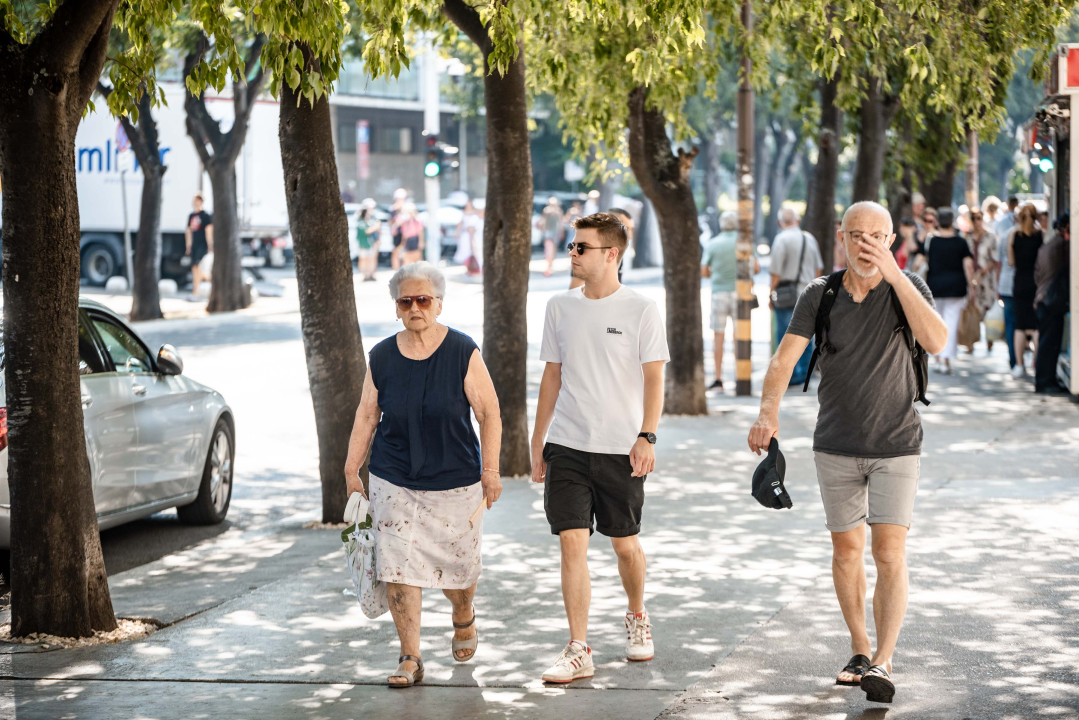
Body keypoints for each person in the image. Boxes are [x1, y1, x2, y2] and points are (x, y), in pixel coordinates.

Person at [748, 201, 946, 705]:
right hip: (834, 444)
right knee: (846, 550)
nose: (866, 245)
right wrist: (767, 413)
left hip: (896, 445)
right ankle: (860, 649)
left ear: (891, 240)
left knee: (888, 551)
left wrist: (897, 276)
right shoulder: (822, 294)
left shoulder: (909, 288)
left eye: (877, 236)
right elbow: (783, 358)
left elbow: (937, 340)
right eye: (857, 235)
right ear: (842, 237)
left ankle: (885, 658)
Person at [343, 261, 503, 688]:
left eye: (423, 300)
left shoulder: (462, 351)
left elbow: (489, 413)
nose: (415, 307)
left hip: (456, 478)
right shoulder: (381, 355)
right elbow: (366, 414)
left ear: (438, 304)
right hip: (394, 475)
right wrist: (351, 467)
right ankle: (410, 656)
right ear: (397, 308)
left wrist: (491, 470)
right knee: (396, 567)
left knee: (460, 568)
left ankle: (463, 614)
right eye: (406, 301)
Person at [531, 212, 669, 683]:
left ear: (610, 254)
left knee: (625, 545)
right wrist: (538, 442)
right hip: (567, 444)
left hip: (621, 449)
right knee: (572, 542)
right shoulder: (559, 307)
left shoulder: (641, 309)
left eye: (581, 247)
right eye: (572, 245)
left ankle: (636, 614)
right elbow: (552, 375)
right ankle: (578, 647)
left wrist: (647, 435)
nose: (572, 253)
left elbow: (654, 377)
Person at [702, 210, 759, 390]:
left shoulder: (713, 244)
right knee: (739, 336)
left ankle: (718, 379)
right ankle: (740, 377)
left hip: (719, 293)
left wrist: (717, 273)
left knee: (718, 336)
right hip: (740, 294)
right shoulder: (744, 242)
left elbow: (703, 271)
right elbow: (756, 268)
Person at [770, 207, 823, 386]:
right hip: (809, 291)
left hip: (787, 294)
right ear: (797, 220)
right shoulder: (810, 239)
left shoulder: (781, 239)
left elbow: (775, 272)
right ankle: (805, 372)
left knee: (786, 334)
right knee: (807, 334)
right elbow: (818, 269)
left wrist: (771, 292)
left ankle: (790, 375)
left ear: (780, 223)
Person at [924, 208, 973, 375]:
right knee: (950, 325)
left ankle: (937, 359)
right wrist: (971, 287)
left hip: (934, 287)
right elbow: (968, 266)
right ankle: (946, 360)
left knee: (936, 323)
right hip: (956, 288)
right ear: (952, 222)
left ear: (938, 221)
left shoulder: (931, 242)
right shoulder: (961, 242)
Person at [1033, 212, 1070, 394]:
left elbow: (1037, 274)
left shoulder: (1049, 244)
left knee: (1047, 343)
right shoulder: (1062, 245)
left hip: (1043, 299)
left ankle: (1046, 380)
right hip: (1050, 301)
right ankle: (1045, 381)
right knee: (1049, 343)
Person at [1007, 204, 1044, 378]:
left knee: (1020, 326)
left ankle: (1019, 365)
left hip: (1020, 282)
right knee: (1036, 326)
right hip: (1036, 282)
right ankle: (1037, 363)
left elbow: (1011, 261)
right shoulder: (1040, 236)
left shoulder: (1014, 235)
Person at [966, 209, 1000, 353]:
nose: (977, 221)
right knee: (972, 309)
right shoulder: (966, 237)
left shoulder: (990, 236)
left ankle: (989, 340)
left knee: (987, 308)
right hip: (970, 278)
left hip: (986, 279)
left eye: (979, 218)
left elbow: (995, 259)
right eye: (974, 218)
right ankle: (970, 342)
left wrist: (984, 270)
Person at [996, 196, 1020, 372]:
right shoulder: (1034, 235)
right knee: (1023, 323)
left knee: (1011, 323)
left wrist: (997, 284)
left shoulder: (1005, 236)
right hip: (1022, 284)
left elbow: (999, 262)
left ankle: (1014, 360)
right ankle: (1018, 359)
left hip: (1006, 284)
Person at [185, 193, 213, 300]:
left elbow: (208, 231)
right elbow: (188, 231)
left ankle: (197, 291)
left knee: (199, 268)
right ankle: (195, 292)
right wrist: (188, 245)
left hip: (202, 245)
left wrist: (210, 244)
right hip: (194, 245)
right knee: (195, 268)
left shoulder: (205, 216)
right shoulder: (191, 216)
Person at [454, 198, 484, 276]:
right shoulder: (472, 217)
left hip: (476, 239)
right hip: (468, 238)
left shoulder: (477, 218)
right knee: (466, 253)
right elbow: (462, 225)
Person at [355, 199, 381, 282]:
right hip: (363, 242)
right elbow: (365, 230)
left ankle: (371, 274)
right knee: (363, 259)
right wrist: (374, 227)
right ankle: (364, 274)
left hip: (372, 242)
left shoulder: (373, 218)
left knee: (371, 258)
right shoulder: (360, 219)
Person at [538, 197, 564, 277]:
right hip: (548, 232)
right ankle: (548, 267)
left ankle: (550, 266)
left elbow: (560, 223)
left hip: (555, 232)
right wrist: (542, 230)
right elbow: (543, 220)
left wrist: (561, 232)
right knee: (549, 249)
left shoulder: (559, 211)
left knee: (553, 249)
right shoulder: (546, 210)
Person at [389, 188, 408, 270]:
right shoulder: (393, 209)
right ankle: (396, 270)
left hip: (407, 234)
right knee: (396, 252)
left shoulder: (407, 208)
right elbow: (390, 222)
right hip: (397, 234)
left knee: (406, 253)